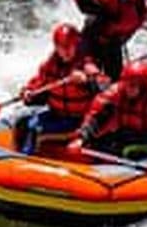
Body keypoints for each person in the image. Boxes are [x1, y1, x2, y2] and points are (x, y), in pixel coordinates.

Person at [69, 58, 147, 176]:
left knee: (124, 151)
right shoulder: (117, 91)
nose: (129, 88)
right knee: (96, 145)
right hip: (125, 133)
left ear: (143, 85)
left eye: (133, 85)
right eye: (127, 84)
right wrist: (82, 137)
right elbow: (97, 115)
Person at [14, 23, 109, 154]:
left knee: (35, 129)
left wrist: (86, 81)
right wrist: (28, 93)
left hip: (78, 120)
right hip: (56, 114)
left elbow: (106, 87)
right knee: (22, 122)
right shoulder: (48, 66)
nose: (65, 51)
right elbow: (36, 87)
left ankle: (27, 157)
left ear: (76, 45)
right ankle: (17, 156)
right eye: (61, 47)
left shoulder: (86, 65)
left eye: (69, 46)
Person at [73, 0, 147, 80]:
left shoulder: (143, 5)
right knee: (91, 80)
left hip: (114, 46)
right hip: (93, 44)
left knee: (116, 81)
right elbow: (86, 6)